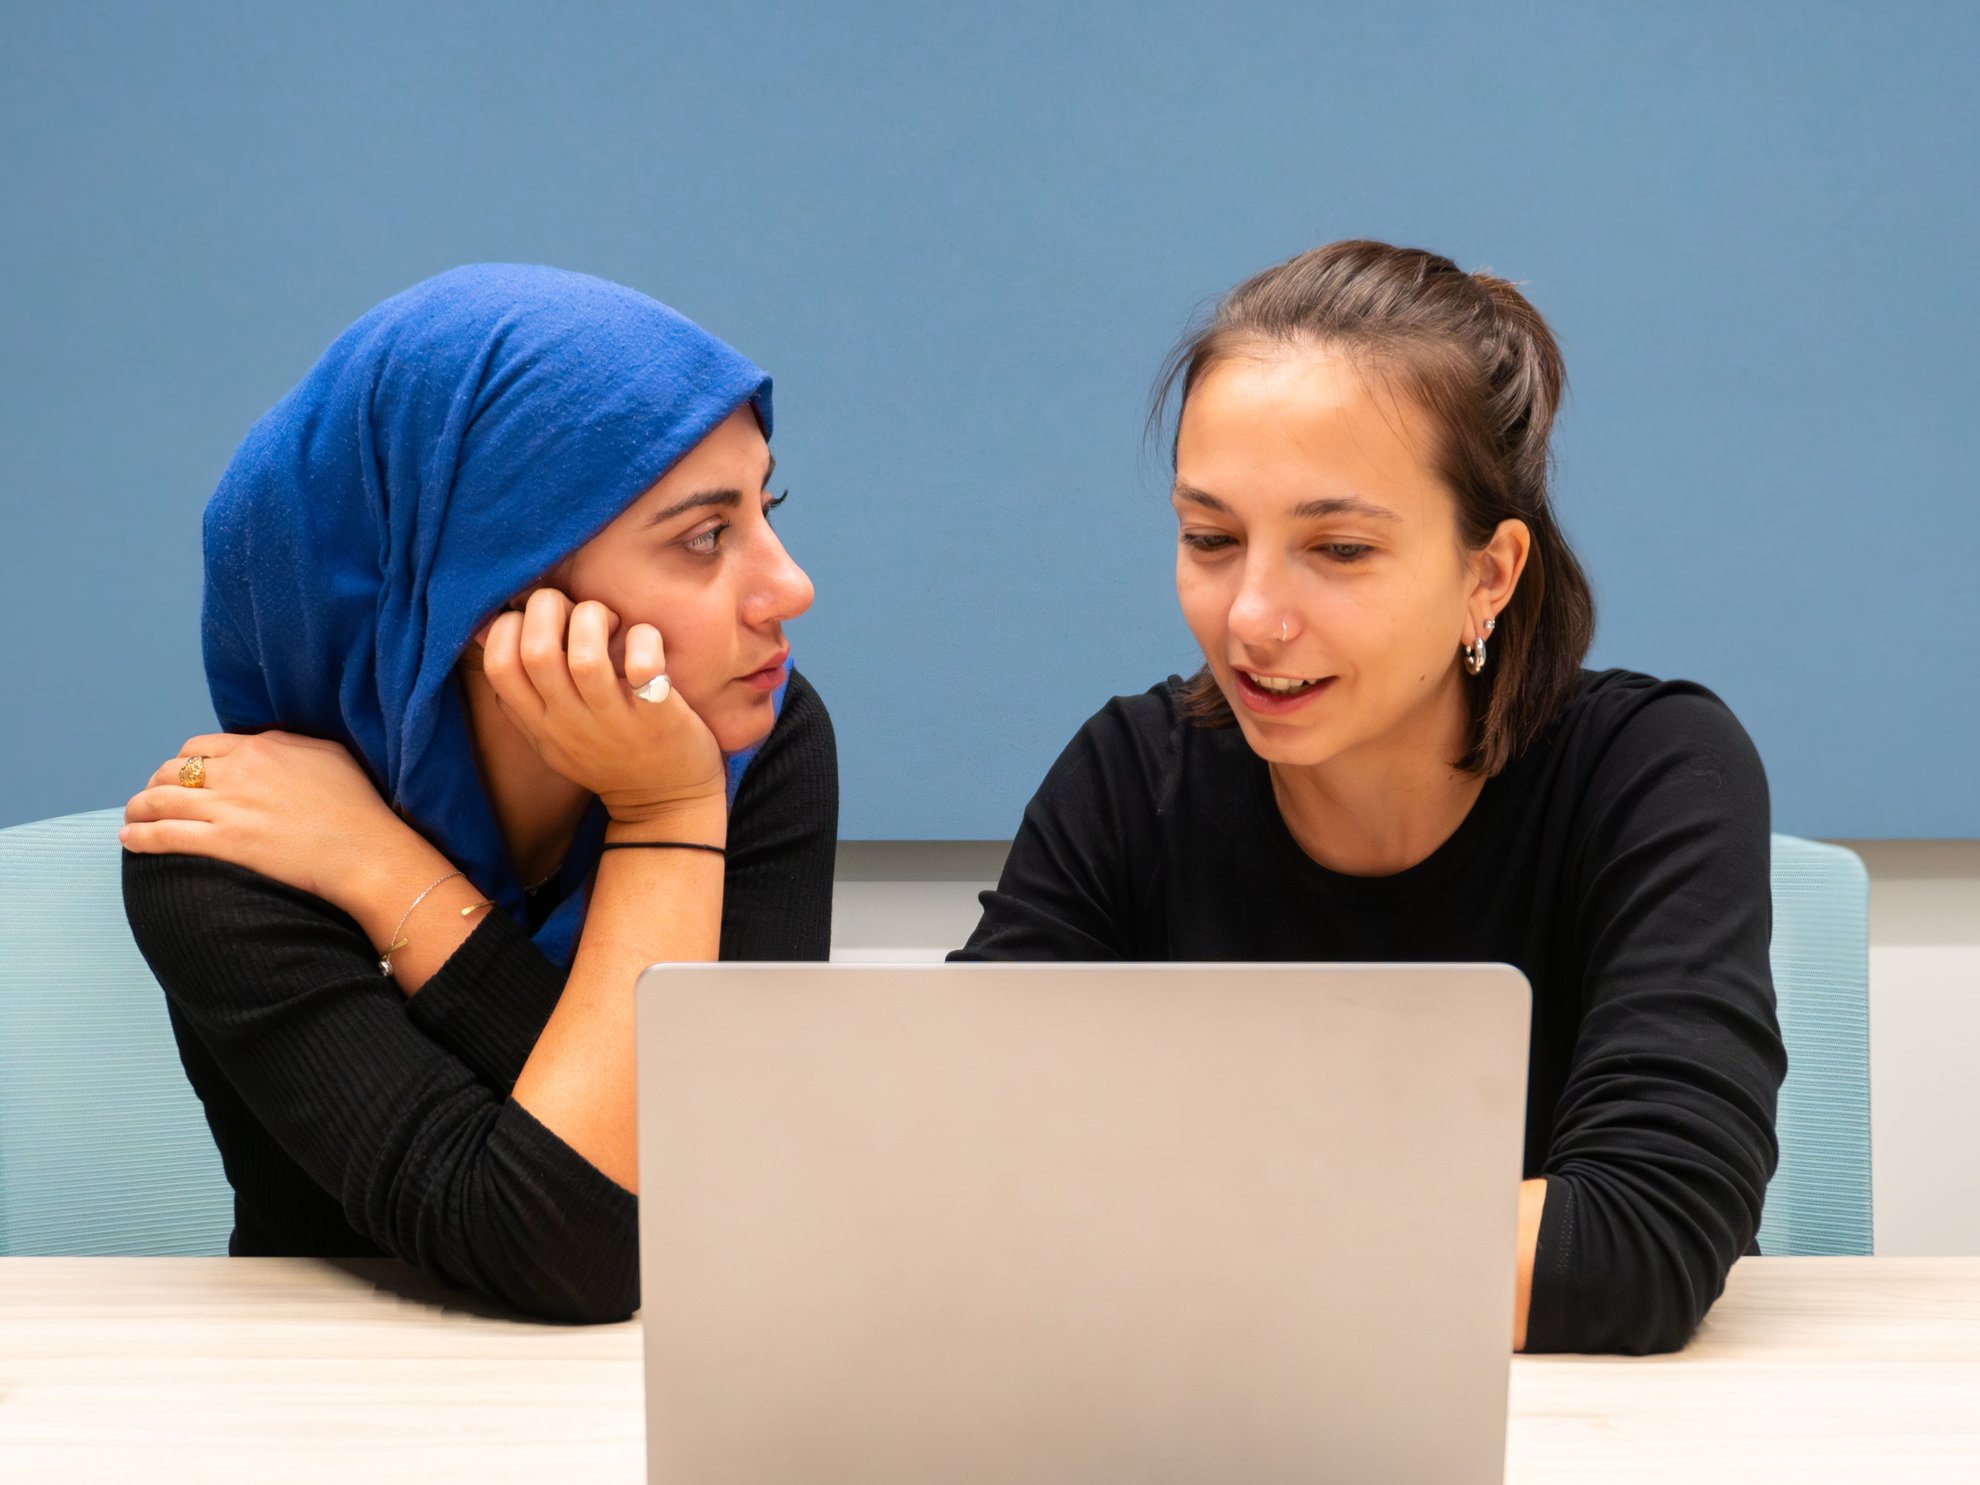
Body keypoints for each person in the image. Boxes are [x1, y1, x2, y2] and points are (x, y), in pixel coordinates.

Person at [953, 240, 1785, 1355]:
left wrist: (1153, 1242)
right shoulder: (1125, 776)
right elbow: (953, 1185)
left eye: (1337, 548)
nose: (1251, 616)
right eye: (1210, 538)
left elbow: (1635, 1246)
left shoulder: (1656, 768)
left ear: (1488, 573)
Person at [121, 264, 835, 1323]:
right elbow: (569, 1246)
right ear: (484, 596)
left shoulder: (751, 742)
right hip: (329, 1412)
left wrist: (400, 875)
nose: (791, 589)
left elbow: (734, 1198)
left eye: (765, 508)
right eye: (704, 536)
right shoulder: (227, 844)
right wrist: (670, 830)